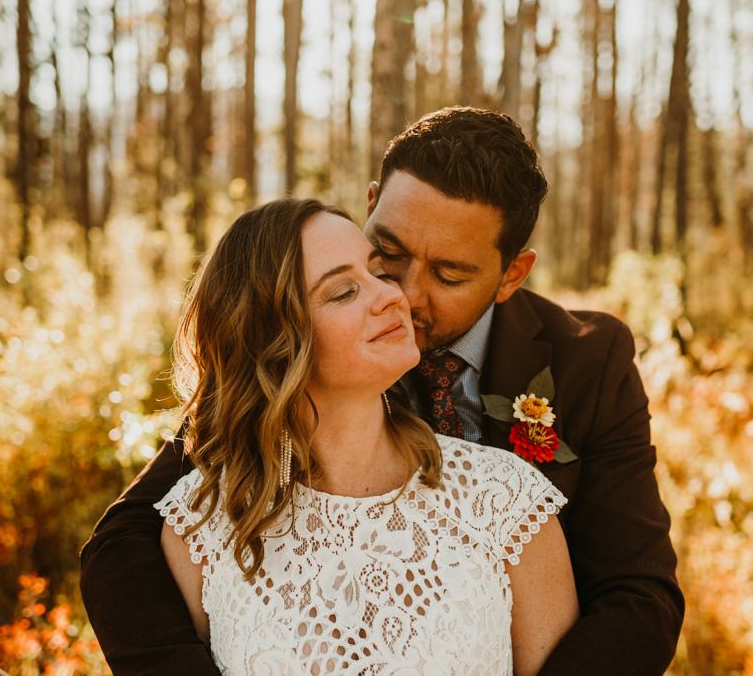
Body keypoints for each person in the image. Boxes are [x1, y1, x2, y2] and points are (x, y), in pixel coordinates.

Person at [80, 106, 684, 675]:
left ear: (512, 275)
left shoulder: (586, 359)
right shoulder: (312, 344)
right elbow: (122, 546)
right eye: (387, 254)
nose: (404, 293)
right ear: (371, 205)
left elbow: (640, 596)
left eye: (450, 274)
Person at [151, 197, 577, 674]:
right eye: (342, 292)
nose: (393, 297)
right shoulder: (198, 528)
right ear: (272, 342)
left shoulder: (505, 502)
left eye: (378, 272)